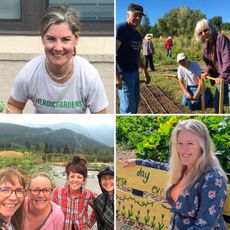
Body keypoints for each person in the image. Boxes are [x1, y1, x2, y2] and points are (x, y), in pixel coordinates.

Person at [124, 119, 228, 229]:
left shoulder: (213, 178)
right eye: (180, 143)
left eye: (190, 143)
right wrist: (138, 161)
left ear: (203, 146)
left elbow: (205, 226)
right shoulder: (183, 169)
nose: (184, 149)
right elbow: (163, 166)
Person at [7, 4, 108, 114]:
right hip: (41, 131)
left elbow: (101, 117)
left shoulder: (89, 76)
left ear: (76, 39)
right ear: (42, 38)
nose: (58, 48)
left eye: (65, 39)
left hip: (79, 131)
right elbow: (13, 105)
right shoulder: (29, 72)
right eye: (51, 39)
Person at [116, 3, 151, 114]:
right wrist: (116, 77)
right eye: (135, 15)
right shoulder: (121, 29)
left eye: (140, 16)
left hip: (135, 73)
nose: (137, 18)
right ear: (127, 14)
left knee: (135, 102)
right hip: (124, 74)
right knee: (127, 106)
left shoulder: (137, 35)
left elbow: (136, 55)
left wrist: (144, 71)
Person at [195, 18, 230, 113]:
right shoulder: (206, 47)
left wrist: (222, 76)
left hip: (226, 75)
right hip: (222, 78)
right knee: (217, 105)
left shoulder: (221, 38)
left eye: (205, 30)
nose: (203, 34)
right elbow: (209, 64)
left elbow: (227, 60)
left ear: (210, 28)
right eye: (200, 33)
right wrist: (206, 71)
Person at [52, 156, 95, 230]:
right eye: (72, 176)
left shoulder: (88, 195)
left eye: (79, 177)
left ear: (84, 180)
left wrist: (89, 223)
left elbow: (98, 209)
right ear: (68, 178)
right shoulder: (58, 192)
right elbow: (51, 210)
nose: (75, 180)